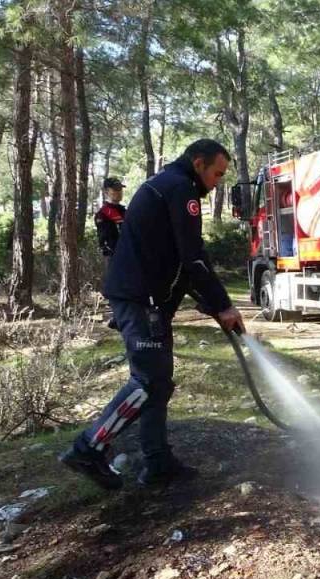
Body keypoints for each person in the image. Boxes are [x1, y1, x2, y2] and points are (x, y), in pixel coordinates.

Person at [60, 140, 244, 490]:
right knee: (147, 381)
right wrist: (222, 304)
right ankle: (89, 448)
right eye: (217, 173)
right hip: (141, 300)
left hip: (144, 298)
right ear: (198, 162)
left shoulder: (165, 185)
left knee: (159, 384)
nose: (218, 182)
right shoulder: (180, 189)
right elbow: (193, 255)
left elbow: (172, 254)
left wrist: (206, 299)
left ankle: (158, 462)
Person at [95, 177, 127, 256]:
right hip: (114, 256)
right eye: (115, 189)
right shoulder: (102, 214)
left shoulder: (125, 211)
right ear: (106, 192)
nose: (119, 191)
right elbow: (104, 240)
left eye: (120, 188)